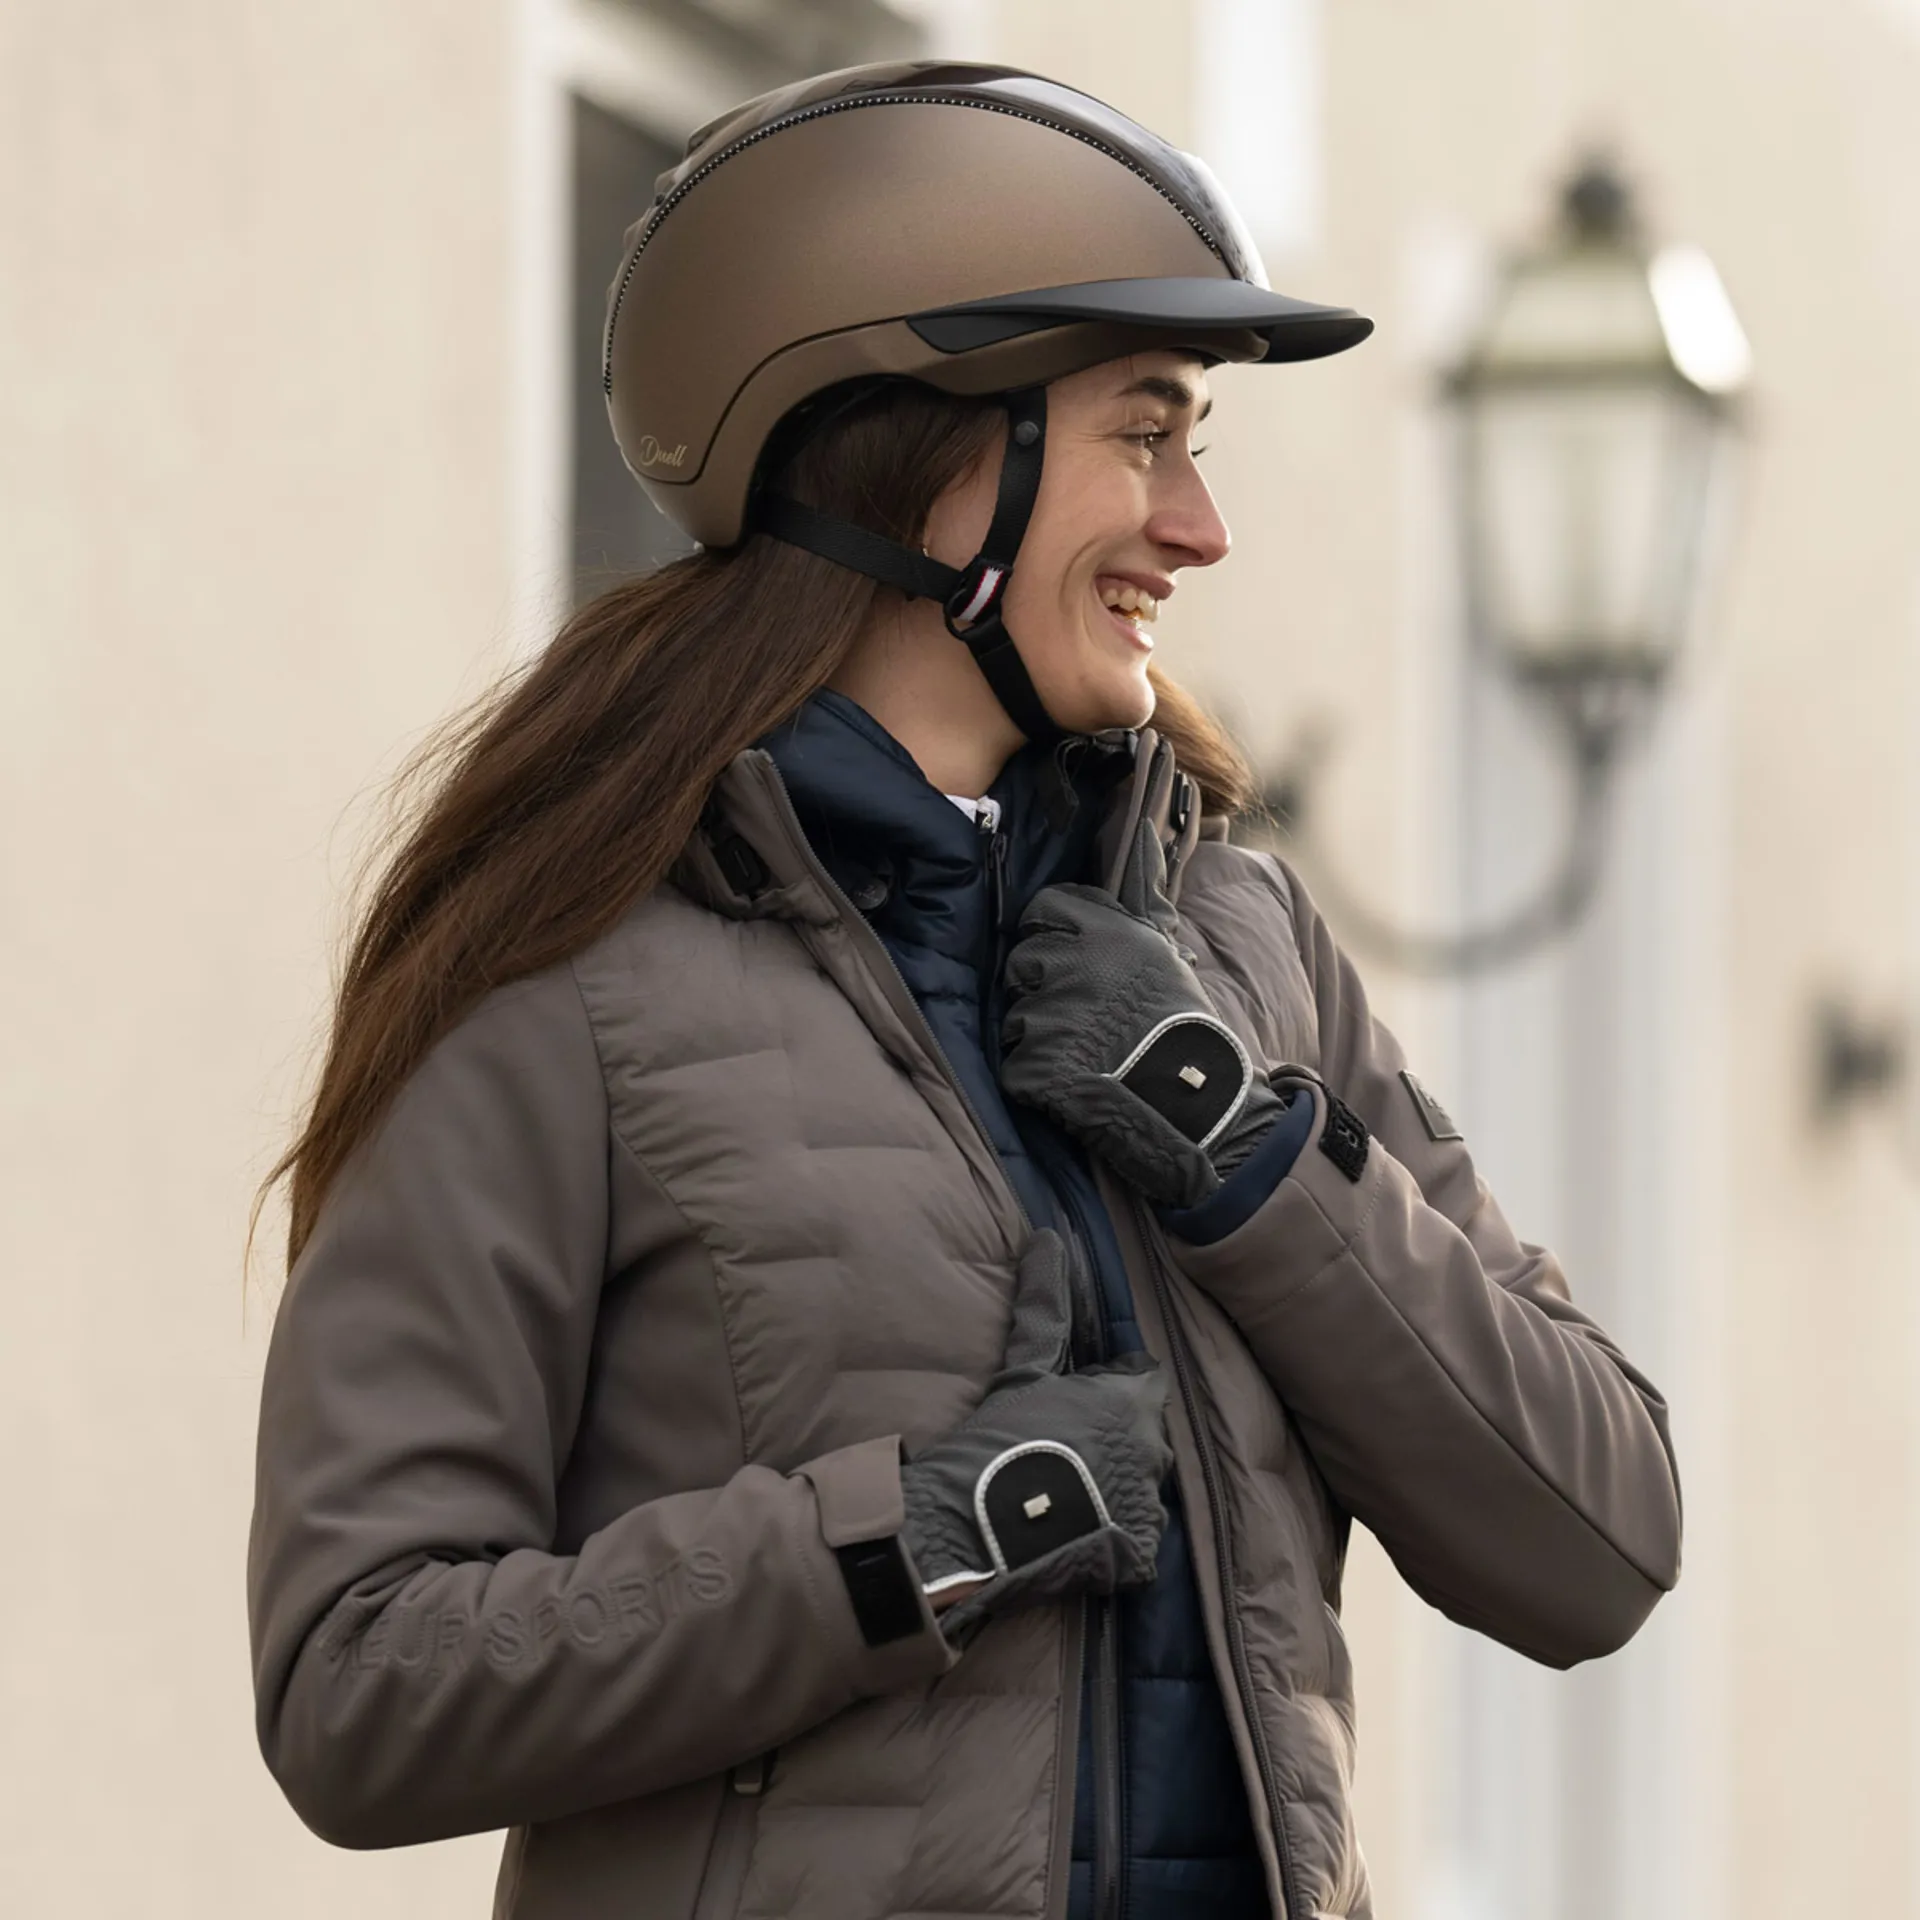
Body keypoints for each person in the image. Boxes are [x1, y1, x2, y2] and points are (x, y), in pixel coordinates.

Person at [247, 60, 1682, 1920]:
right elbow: (358, 1680)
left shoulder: (1245, 952)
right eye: (1145, 435)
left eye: (1197, 445)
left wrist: (1240, 1150)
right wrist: (912, 1542)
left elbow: (1597, 1542)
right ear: (923, 462)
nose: (1200, 527)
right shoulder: (569, 973)